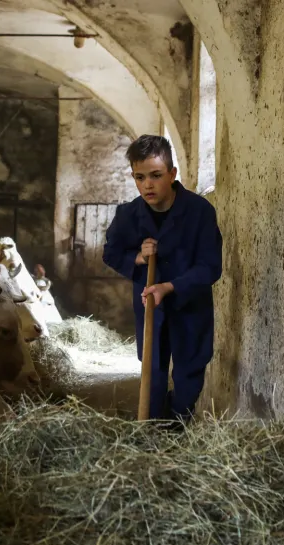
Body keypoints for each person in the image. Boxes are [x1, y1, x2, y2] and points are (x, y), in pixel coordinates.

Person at [102, 134, 223, 425]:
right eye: (139, 177)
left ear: (172, 174)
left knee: (188, 377)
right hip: (150, 310)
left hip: (190, 308)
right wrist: (139, 258)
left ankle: (176, 427)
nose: (147, 184)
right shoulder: (128, 215)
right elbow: (111, 252)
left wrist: (171, 286)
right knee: (153, 375)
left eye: (156, 175)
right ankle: (152, 435)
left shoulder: (199, 212)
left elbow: (210, 267)